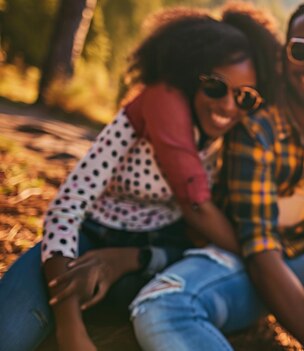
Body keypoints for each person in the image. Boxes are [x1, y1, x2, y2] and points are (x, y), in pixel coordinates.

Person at [0, 5, 281, 351]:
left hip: (154, 256)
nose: (228, 105)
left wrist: (123, 260)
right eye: (215, 86)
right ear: (191, 74)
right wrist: (69, 324)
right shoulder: (141, 118)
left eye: (245, 96)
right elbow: (66, 208)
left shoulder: (227, 142)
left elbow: (190, 238)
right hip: (86, 239)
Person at [130, 2, 304, 350]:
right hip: (241, 260)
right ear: (282, 56)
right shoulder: (256, 123)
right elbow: (260, 252)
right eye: (301, 50)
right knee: (163, 307)